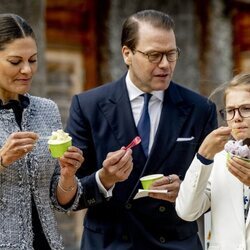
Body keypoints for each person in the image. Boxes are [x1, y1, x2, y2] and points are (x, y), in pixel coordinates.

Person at [62, 9, 217, 250]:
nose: (165, 64)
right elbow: (68, 196)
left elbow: (215, 190)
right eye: (154, 55)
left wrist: (187, 191)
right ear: (127, 54)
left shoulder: (200, 109)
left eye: (172, 54)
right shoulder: (88, 106)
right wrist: (105, 179)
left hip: (175, 243)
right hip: (110, 243)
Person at [0, 13, 84, 250]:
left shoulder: (46, 110)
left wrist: (68, 175)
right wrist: (2, 160)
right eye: (15, 62)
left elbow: (59, 201)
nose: (27, 70)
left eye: (33, 60)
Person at [176, 73, 250, 250]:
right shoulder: (219, 160)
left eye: (246, 108)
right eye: (230, 111)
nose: (237, 117)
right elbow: (187, 211)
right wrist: (203, 156)